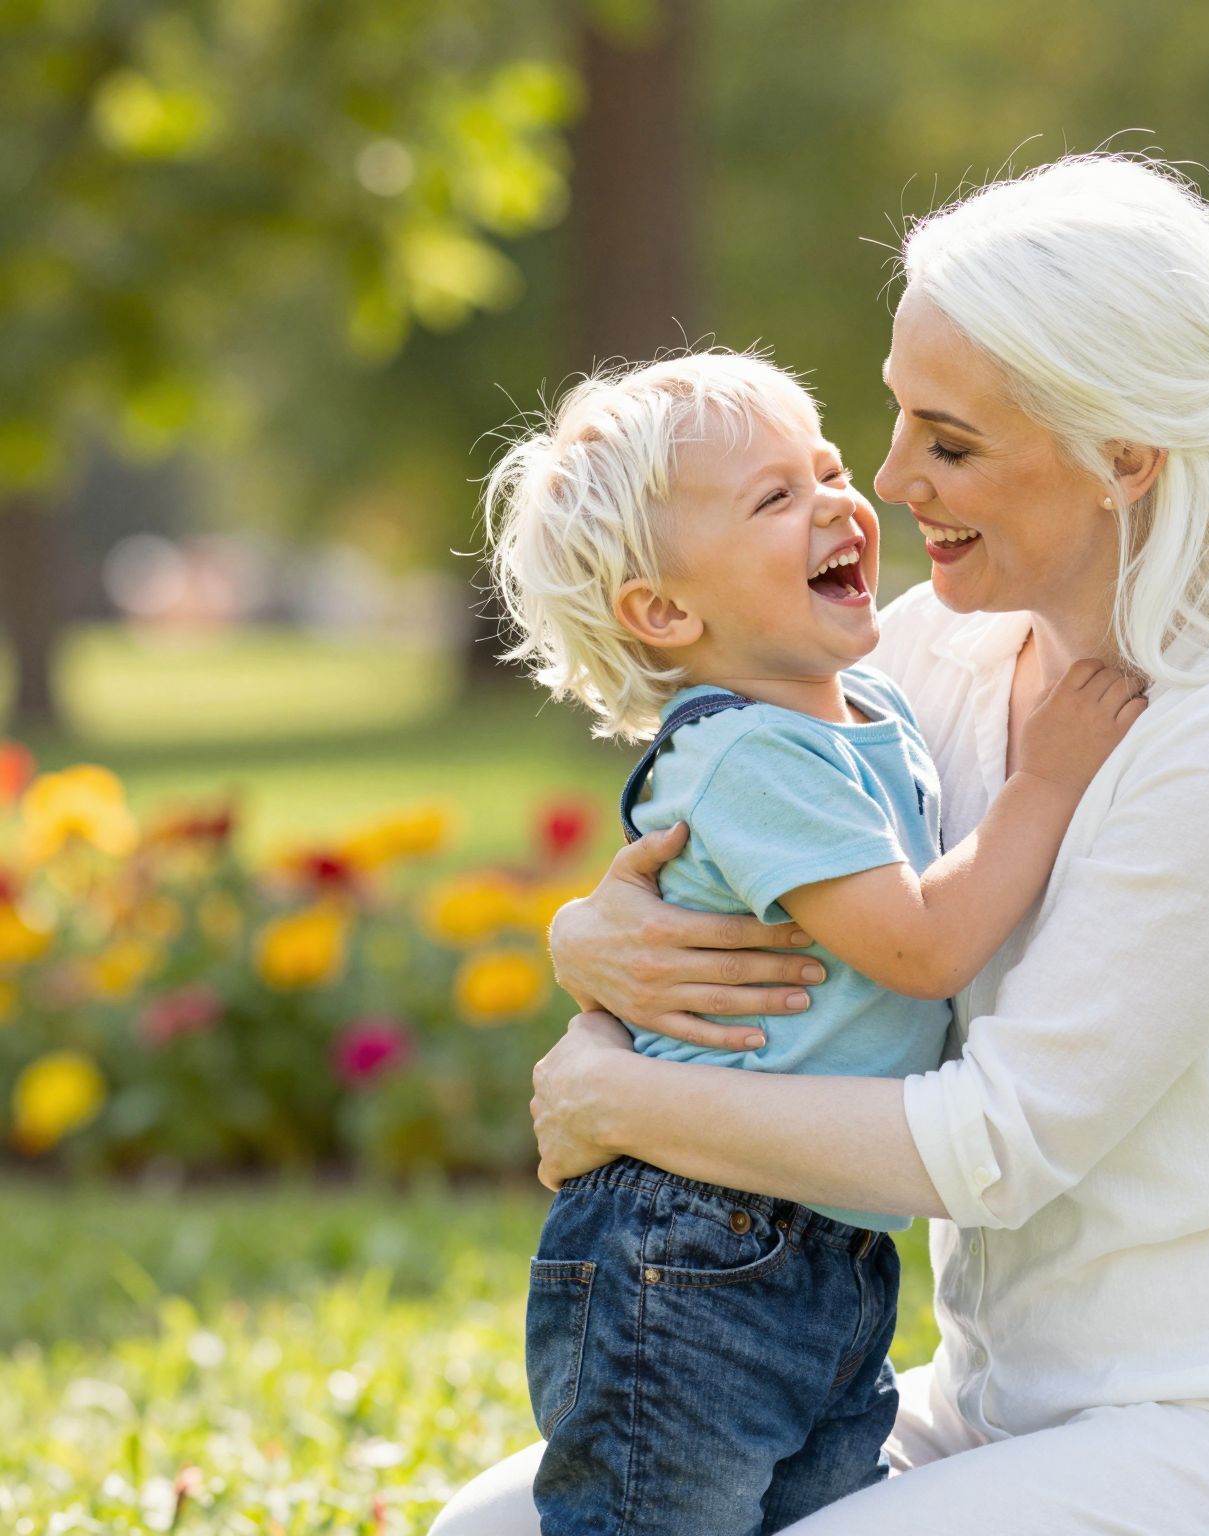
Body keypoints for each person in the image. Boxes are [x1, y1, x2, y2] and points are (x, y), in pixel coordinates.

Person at [433, 152, 1209, 1535]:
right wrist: (592, 935)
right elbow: (759, 825)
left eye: (951, 440)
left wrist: (617, 1101)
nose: (888, 477)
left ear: (1124, 455)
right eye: (897, 417)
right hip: (999, 1395)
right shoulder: (939, 651)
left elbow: (996, 1145)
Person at [479, 351, 1143, 1533]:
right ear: (666, 612)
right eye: (773, 498)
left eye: (825, 468)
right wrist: (1046, 778)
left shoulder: (867, 702)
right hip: (687, 1248)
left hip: (815, 1244)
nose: (841, 501)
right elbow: (923, 947)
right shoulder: (748, 754)